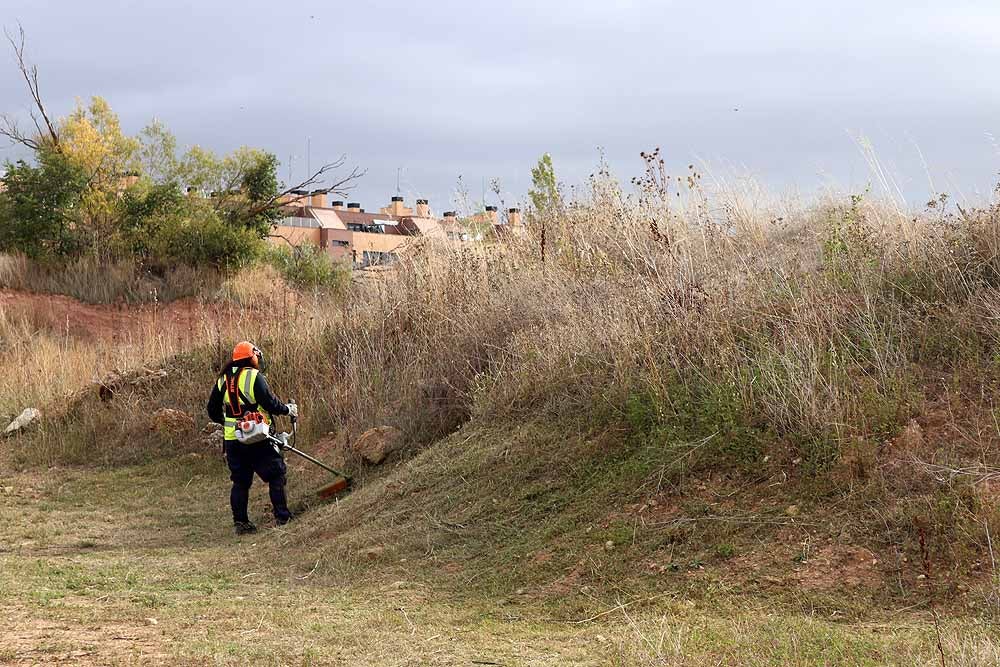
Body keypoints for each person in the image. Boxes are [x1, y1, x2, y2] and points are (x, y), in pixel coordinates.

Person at [207, 341, 298, 535]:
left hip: (233, 440)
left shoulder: (222, 380)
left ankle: (241, 524)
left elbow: (212, 410)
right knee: (276, 474)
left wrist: (228, 422)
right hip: (257, 436)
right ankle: (282, 516)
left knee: (240, 482)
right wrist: (288, 409)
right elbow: (270, 403)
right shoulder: (254, 376)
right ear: (252, 357)